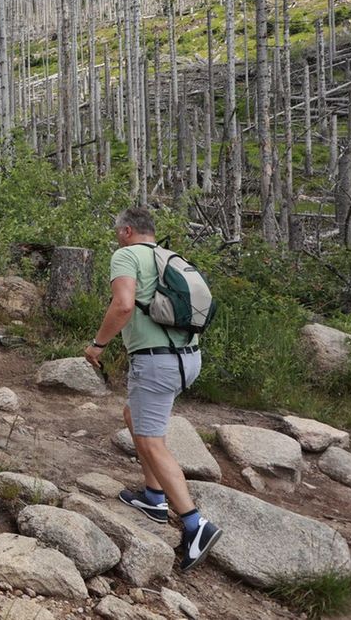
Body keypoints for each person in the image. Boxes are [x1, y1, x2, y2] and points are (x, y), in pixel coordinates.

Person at [85, 206, 222, 572]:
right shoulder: (168, 256)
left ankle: (195, 523)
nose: (116, 237)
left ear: (127, 230)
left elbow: (124, 304)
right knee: (134, 415)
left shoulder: (126, 255)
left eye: (118, 232)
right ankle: (153, 496)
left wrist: (98, 345)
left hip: (157, 361)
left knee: (150, 441)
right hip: (188, 357)